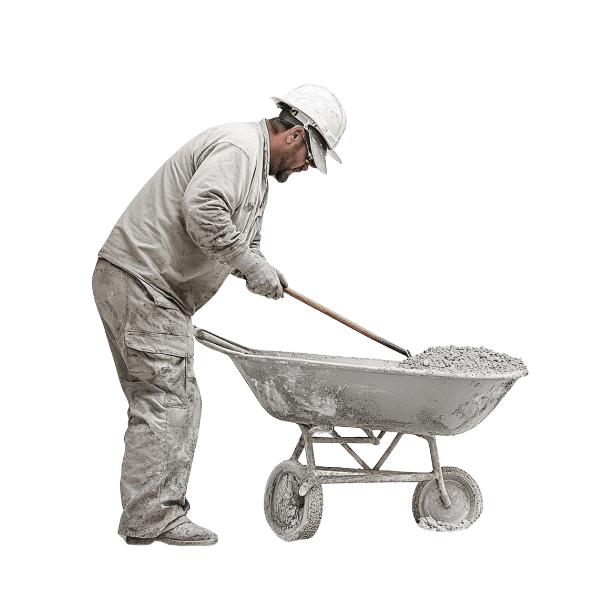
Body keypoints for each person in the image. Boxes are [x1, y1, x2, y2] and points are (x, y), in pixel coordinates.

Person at [91, 83, 348, 547]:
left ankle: (150, 517)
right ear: (295, 135)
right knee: (168, 400)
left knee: (169, 398)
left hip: (149, 286)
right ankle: (151, 521)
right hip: (146, 284)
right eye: (310, 158)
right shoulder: (239, 149)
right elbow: (204, 209)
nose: (306, 168)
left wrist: (259, 265)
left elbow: (243, 235)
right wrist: (248, 264)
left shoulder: (255, 168)